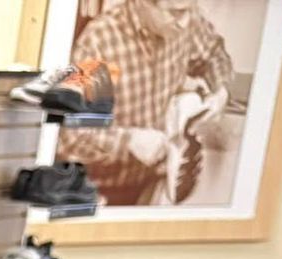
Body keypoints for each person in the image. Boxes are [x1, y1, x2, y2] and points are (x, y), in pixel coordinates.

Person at [60, 0, 234, 204]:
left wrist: (220, 89)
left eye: (190, 10)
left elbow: (213, 53)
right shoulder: (100, 41)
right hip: (99, 191)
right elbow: (70, 130)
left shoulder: (186, 19)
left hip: (151, 180)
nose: (185, 23)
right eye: (175, 13)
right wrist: (129, 142)